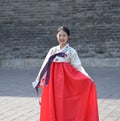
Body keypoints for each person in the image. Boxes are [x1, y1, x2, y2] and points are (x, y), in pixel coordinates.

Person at [32, 26, 99, 121]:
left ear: (68, 37)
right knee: (52, 103)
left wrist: (88, 78)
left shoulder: (71, 52)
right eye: (60, 35)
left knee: (64, 103)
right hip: (52, 83)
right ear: (56, 36)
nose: (61, 38)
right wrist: (38, 79)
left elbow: (78, 67)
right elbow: (45, 66)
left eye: (64, 35)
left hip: (66, 82)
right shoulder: (52, 50)